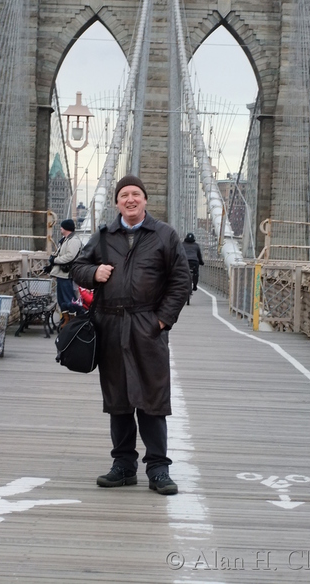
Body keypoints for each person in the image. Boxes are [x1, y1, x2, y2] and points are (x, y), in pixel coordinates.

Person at [72, 175, 191, 496]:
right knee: (118, 400)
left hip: (147, 325)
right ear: (116, 203)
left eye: (136, 193)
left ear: (145, 200)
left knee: (152, 398)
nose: (130, 199)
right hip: (110, 325)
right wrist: (93, 273)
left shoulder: (165, 235)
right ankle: (123, 466)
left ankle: (158, 469)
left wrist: (163, 321)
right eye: (124, 195)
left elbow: (181, 281)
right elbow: (76, 267)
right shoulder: (103, 235)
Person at [45, 219, 82, 328]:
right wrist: (50, 265)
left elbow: (70, 256)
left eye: (62, 227)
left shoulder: (74, 240)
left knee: (68, 299)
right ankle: (66, 320)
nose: (60, 228)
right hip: (61, 274)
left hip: (67, 275)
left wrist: (55, 260)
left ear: (66, 228)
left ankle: (73, 322)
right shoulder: (66, 239)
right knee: (62, 300)